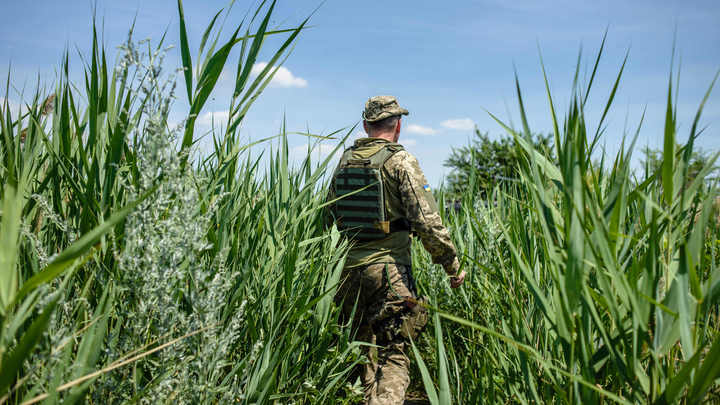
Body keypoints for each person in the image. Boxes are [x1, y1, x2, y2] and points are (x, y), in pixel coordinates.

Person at [329, 95, 466, 405]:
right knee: (394, 353)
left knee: (360, 351)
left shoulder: (344, 160)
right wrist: (451, 265)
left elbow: (329, 213)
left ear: (366, 125)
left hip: (346, 273)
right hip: (389, 273)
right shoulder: (400, 160)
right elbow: (427, 221)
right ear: (399, 125)